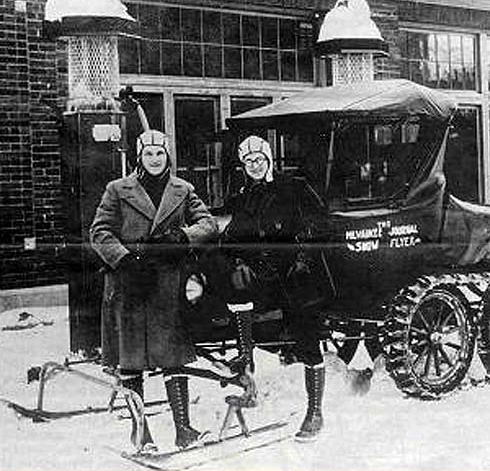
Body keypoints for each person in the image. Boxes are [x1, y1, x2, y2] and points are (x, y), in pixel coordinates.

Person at [90, 130, 218, 452]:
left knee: (173, 357)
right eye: (149, 154)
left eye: (160, 154)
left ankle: (184, 429)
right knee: (131, 361)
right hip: (128, 284)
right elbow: (100, 231)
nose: (155, 159)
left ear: (168, 157)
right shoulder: (118, 190)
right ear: (139, 157)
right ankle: (140, 434)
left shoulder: (183, 189)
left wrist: (182, 237)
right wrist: (125, 260)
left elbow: (208, 224)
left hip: (168, 284)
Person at [221, 135, 333, 443]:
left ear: (269, 160)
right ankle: (246, 357)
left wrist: (301, 256)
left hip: (298, 273)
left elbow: (319, 225)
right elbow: (233, 235)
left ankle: (315, 412)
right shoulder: (244, 196)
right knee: (235, 288)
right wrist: (237, 259)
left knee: (307, 337)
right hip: (264, 274)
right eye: (248, 162)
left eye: (259, 160)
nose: (255, 166)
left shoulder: (293, 187)